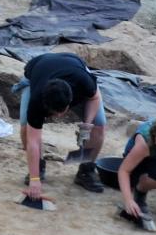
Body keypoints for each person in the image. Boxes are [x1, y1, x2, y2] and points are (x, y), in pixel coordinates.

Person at [16, 52, 106, 198]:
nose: (58, 116)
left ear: (71, 101)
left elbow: (94, 97)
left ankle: (86, 170)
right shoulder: (37, 99)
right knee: (26, 127)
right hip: (37, 70)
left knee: (99, 125)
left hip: (73, 65)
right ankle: (37, 166)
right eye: (54, 112)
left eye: (61, 111)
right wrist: (34, 179)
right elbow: (33, 140)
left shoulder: (83, 82)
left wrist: (87, 124)